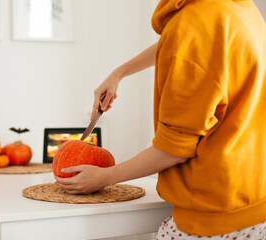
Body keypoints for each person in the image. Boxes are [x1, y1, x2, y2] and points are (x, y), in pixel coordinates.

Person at [54, 0, 266, 239]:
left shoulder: (193, 22)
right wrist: (119, 73)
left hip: (211, 223)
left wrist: (106, 177)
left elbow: (175, 149)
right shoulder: (240, 8)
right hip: (253, 207)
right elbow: (188, 45)